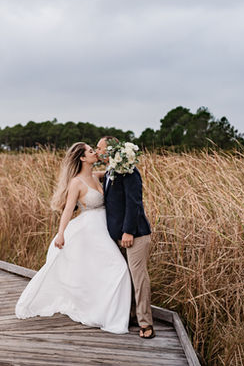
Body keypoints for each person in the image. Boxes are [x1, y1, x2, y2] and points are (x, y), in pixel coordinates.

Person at [15, 142, 131, 334]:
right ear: (83, 158)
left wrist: (125, 157)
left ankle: (108, 312)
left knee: (102, 271)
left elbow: (115, 171)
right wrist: (61, 234)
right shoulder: (76, 182)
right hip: (90, 230)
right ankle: (107, 316)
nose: (95, 153)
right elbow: (68, 210)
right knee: (119, 268)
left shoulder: (96, 175)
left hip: (104, 229)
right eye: (92, 151)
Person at [95, 136, 155, 339]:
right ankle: (129, 315)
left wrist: (128, 231)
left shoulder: (129, 169)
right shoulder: (113, 169)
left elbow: (134, 202)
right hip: (119, 235)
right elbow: (111, 179)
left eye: (99, 147)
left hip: (135, 235)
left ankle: (146, 323)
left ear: (110, 150)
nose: (97, 151)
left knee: (139, 279)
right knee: (124, 277)